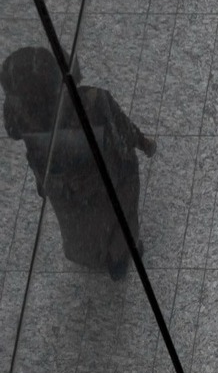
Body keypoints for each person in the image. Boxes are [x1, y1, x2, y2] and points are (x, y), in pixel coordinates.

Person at [2, 46, 156, 281]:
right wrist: (145, 145)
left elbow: (15, 134)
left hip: (62, 189)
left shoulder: (26, 120)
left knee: (80, 223)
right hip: (103, 180)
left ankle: (91, 254)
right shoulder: (93, 101)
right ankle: (120, 254)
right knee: (122, 204)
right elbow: (123, 130)